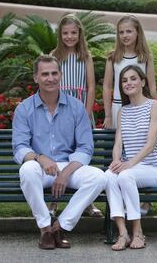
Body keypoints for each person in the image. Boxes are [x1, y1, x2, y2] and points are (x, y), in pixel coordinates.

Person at [12, 55, 107, 250]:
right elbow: (20, 147)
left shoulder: (76, 107)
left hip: (68, 165)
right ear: (35, 78)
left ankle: (60, 225)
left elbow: (85, 147)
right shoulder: (24, 109)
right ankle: (45, 228)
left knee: (99, 177)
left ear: (61, 75)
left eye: (54, 73)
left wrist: (65, 172)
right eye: (45, 74)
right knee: (27, 171)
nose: (50, 78)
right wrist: (39, 158)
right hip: (40, 167)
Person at [105, 65, 157, 251]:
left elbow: (150, 144)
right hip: (130, 168)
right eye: (124, 80)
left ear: (143, 82)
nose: (128, 83)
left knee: (124, 176)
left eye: (133, 78)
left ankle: (138, 231)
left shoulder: (154, 106)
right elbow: (118, 144)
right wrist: (117, 161)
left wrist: (128, 164)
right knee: (109, 176)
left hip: (153, 169)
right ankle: (123, 232)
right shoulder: (123, 111)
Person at [102, 14, 157, 215]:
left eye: (129, 31)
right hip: (118, 109)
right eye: (121, 32)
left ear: (137, 32)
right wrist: (108, 115)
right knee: (117, 153)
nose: (125, 35)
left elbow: (151, 86)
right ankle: (116, 202)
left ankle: (145, 200)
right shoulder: (113, 57)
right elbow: (107, 86)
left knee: (140, 152)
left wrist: (155, 111)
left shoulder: (145, 57)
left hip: (140, 110)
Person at [49, 13, 102, 218]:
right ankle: (54, 203)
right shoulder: (55, 55)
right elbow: (51, 85)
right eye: (65, 33)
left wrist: (86, 115)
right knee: (60, 155)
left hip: (81, 110)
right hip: (60, 111)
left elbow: (90, 86)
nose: (69, 37)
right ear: (60, 34)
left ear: (80, 34)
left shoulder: (85, 56)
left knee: (83, 157)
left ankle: (87, 203)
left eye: (73, 33)